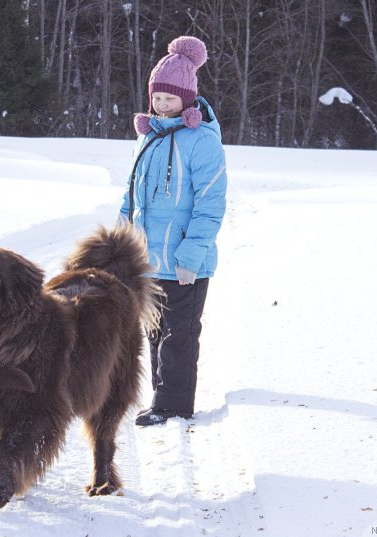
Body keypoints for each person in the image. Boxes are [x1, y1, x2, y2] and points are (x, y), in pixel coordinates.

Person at [118, 35, 228, 427]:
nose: (163, 104)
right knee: (154, 331)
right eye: (157, 98)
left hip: (185, 263)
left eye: (170, 98)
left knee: (179, 336)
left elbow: (210, 204)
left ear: (187, 98)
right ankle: (160, 398)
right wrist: (122, 249)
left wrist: (191, 257)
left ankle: (173, 406)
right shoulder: (146, 137)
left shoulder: (202, 142)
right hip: (148, 262)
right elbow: (130, 199)